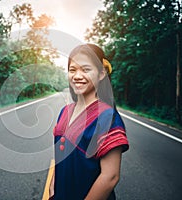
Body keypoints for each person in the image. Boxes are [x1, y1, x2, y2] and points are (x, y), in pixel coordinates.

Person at [49, 43, 129, 200]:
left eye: (86, 69)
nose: (77, 76)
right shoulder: (64, 111)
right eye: (72, 70)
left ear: (101, 74)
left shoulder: (107, 117)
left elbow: (110, 177)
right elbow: (60, 156)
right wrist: (53, 187)